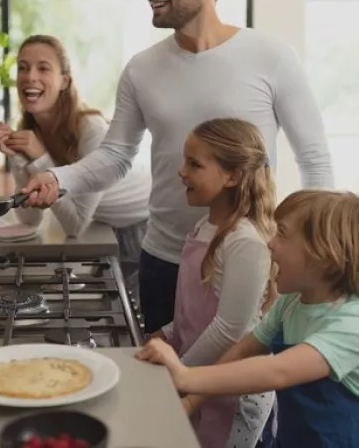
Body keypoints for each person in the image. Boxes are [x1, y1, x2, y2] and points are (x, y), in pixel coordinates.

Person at [19, 0, 334, 335]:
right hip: (165, 258)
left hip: (249, 261)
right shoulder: (141, 68)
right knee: (166, 388)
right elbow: (116, 156)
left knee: (242, 392)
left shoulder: (271, 57)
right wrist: (57, 178)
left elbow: (314, 159)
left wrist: (312, 246)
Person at [136, 189, 359, 448]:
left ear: (326, 258)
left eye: (283, 234)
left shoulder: (350, 324)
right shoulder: (291, 302)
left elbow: (279, 371)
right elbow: (244, 348)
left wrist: (185, 376)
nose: (271, 243)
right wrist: (192, 400)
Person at [0, 34, 150, 300]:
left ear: (64, 81)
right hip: (102, 226)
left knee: (133, 325)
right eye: (22, 67)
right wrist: (18, 157)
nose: (29, 76)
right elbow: (29, 219)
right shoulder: (32, 131)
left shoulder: (91, 129)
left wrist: (40, 158)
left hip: (139, 229)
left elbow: (75, 224)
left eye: (43, 68)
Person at [149, 117, 276, 448]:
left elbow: (230, 329)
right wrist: (168, 332)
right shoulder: (205, 227)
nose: (181, 171)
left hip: (233, 391)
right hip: (200, 377)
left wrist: (180, 372)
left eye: (194, 164)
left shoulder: (244, 241)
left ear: (232, 176)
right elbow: (195, 307)